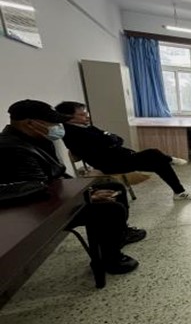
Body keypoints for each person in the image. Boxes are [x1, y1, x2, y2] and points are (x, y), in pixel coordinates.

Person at [0, 100, 144, 274]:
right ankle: (110, 260)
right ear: (30, 123)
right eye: (52, 122)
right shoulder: (12, 148)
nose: (58, 127)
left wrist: (87, 192)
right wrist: (85, 198)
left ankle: (120, 234)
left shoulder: (37, 140)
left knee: (114, 187)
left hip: (53, 198)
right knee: (111, 209)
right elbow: (36, 192)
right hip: (40, 213)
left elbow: (58, 176)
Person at [55, 101, 191, 200]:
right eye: (82, 114)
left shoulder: (86, 127)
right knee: (154, 153)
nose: (87, 116)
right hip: (110, 164)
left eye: (86, 113)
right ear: (68, 117)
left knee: (159, 163)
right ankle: (170, 160)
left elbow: (115, 138)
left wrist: (109, 140)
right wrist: (109, 140)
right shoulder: (71, 134)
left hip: (121, 157)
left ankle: (179, 192)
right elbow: (104, 144)